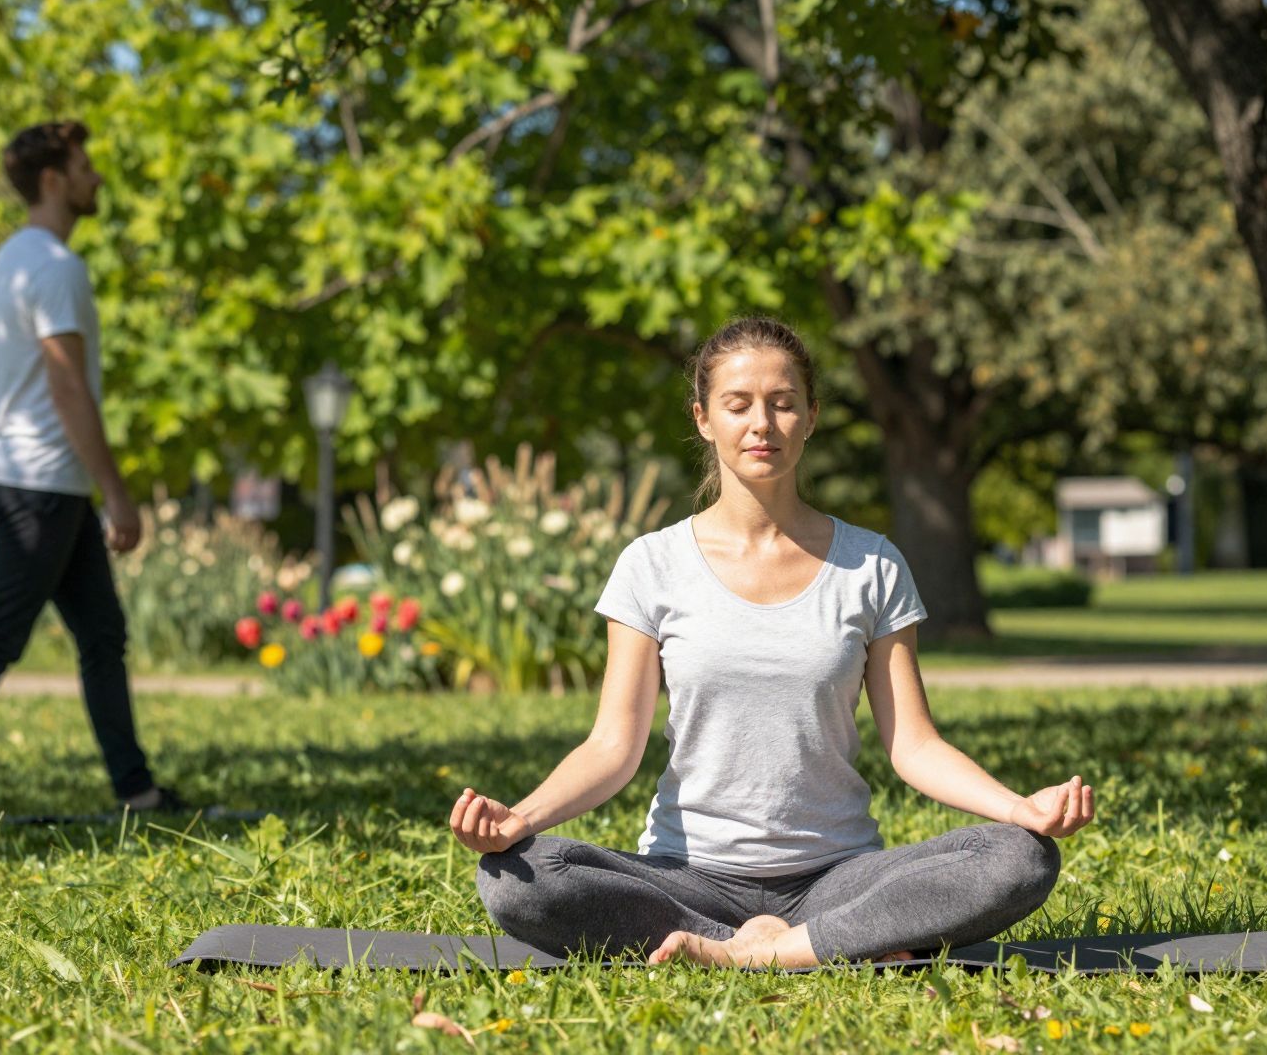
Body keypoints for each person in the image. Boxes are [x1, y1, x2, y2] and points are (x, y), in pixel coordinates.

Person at [451, 316, 1094, 968]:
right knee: (516, 876)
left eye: (783, 403)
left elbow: (914, 745)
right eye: (738, 405)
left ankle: (759, 952)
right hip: (688, 876)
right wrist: (520, 820)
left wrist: (1019, 807)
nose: (762, 424)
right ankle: (818, 942)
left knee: (1019, 857)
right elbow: (612, 748)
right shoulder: (651, 565)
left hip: (835, 878)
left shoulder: (872, 565)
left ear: (811, 417)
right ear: (704, 418)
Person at [0, 120, 183, 826]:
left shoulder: (9, 260)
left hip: (39, 480)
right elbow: (66, 386)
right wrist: (117, 494)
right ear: (54, 179)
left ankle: (137, 789)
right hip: (42, 482)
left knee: (101, 636)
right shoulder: (56, 267)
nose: (96, 177)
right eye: (85, 166)